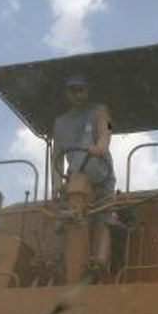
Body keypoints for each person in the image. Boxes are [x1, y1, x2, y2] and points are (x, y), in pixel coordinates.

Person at [50, 73, 117, 280]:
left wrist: (101, 147)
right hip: (74, 178)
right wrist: (56, 183)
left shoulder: (100, 111)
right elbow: (56, 156)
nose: (77, 94)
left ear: (87, 91)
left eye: (81, 89)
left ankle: (100, 260)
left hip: (100, 174)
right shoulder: (60, 122)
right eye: (73, 90)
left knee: (104, 215)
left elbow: (107, 130)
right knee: (60, 217)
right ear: (67, 93)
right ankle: (58, 259)